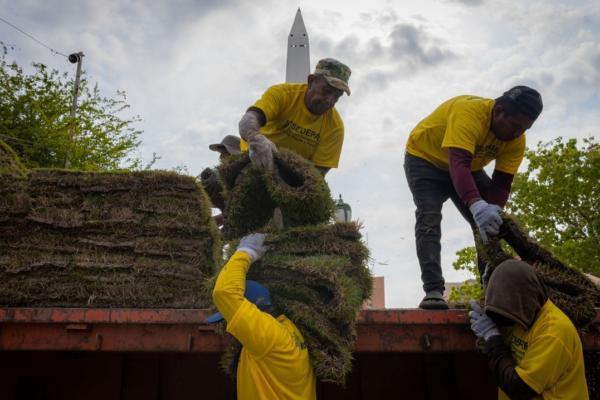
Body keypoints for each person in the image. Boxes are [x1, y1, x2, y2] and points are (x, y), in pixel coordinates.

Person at [404, 86, 544, 309]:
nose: (517, 134)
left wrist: (492, 210)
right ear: (498, 112)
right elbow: (457, 163)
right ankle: (433, 289)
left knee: (493, 224)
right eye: (516, 126)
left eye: (525, 129)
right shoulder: (468, 113)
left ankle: (490, 289)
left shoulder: (516, 140)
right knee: (429, 217)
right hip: (426, 158)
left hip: (468, 165)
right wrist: (476, 204)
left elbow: (502, 182)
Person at [206, 233, 317, 399]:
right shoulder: (285, 330)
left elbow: (224, 292)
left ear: (254, 311)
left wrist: (246, 252)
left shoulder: (268, 337)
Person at [469, 260, 589, 399]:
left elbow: (520, 388)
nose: (507, 320)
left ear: (526, 300)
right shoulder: (517, 317)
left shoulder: (553, 331)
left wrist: (492, 337)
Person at [238, 58, 351, 178]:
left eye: (337, 97)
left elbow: (318, 172)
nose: (330, 101)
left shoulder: (335, 127)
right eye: (326, 91)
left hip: (290, 177)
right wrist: (255, 138)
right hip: (251, 161)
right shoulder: (283, 94)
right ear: (311, 81)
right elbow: (250, 117)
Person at [204, 136, 242, 226]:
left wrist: (221, 179)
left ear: (236, 154)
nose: (220, 157)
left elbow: (244, 209)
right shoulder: (230, 178)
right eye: (220, 153)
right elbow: (230, 213)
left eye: (224, 152)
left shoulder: (249, 172)